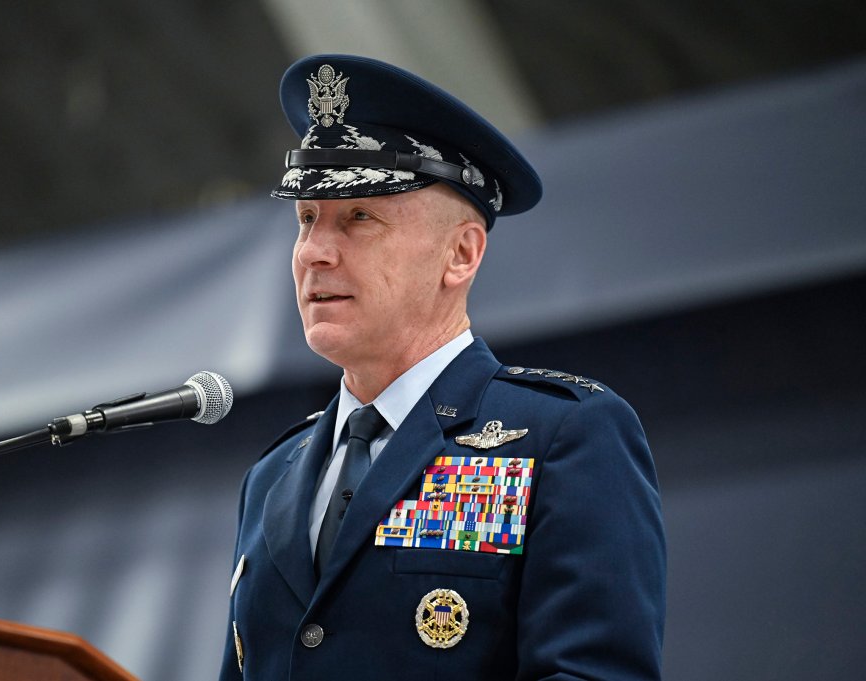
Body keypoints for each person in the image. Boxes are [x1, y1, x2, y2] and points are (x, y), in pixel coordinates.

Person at [220, 54, 665, 681]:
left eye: (359, 217)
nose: (315, 251)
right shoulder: (272, 476)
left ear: (460, 254)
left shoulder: (562, 436)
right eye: (306, 220)